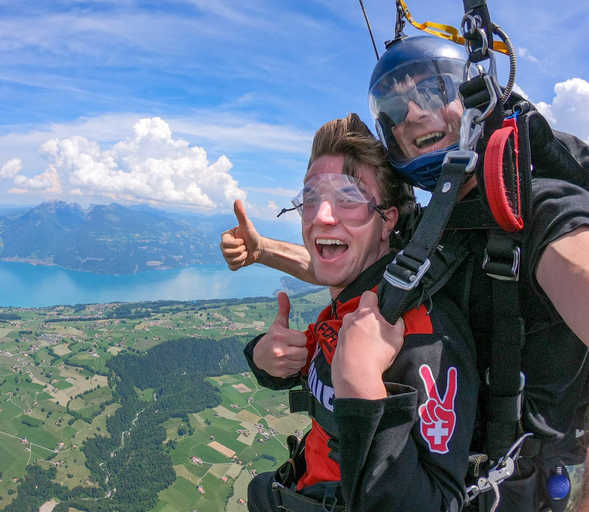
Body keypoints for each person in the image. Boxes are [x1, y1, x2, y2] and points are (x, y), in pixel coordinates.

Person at [223, 36, 589, 512]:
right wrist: (263, 253)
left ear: (477, 99)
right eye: (396, 107)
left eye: (435, 91)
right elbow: (348, 261)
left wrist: (358, 380)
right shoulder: (427, 229)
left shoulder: (541, 211)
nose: (415, 113)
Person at [244, 113, 478, 512]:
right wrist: (264, 359)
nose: (320, 216)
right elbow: (308, 368)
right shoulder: (347, 309)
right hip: (300, 488)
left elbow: (439, 503)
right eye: (311, 199)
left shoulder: (421, 334)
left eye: (348, 198)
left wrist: (363, 382)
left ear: (387, 219)